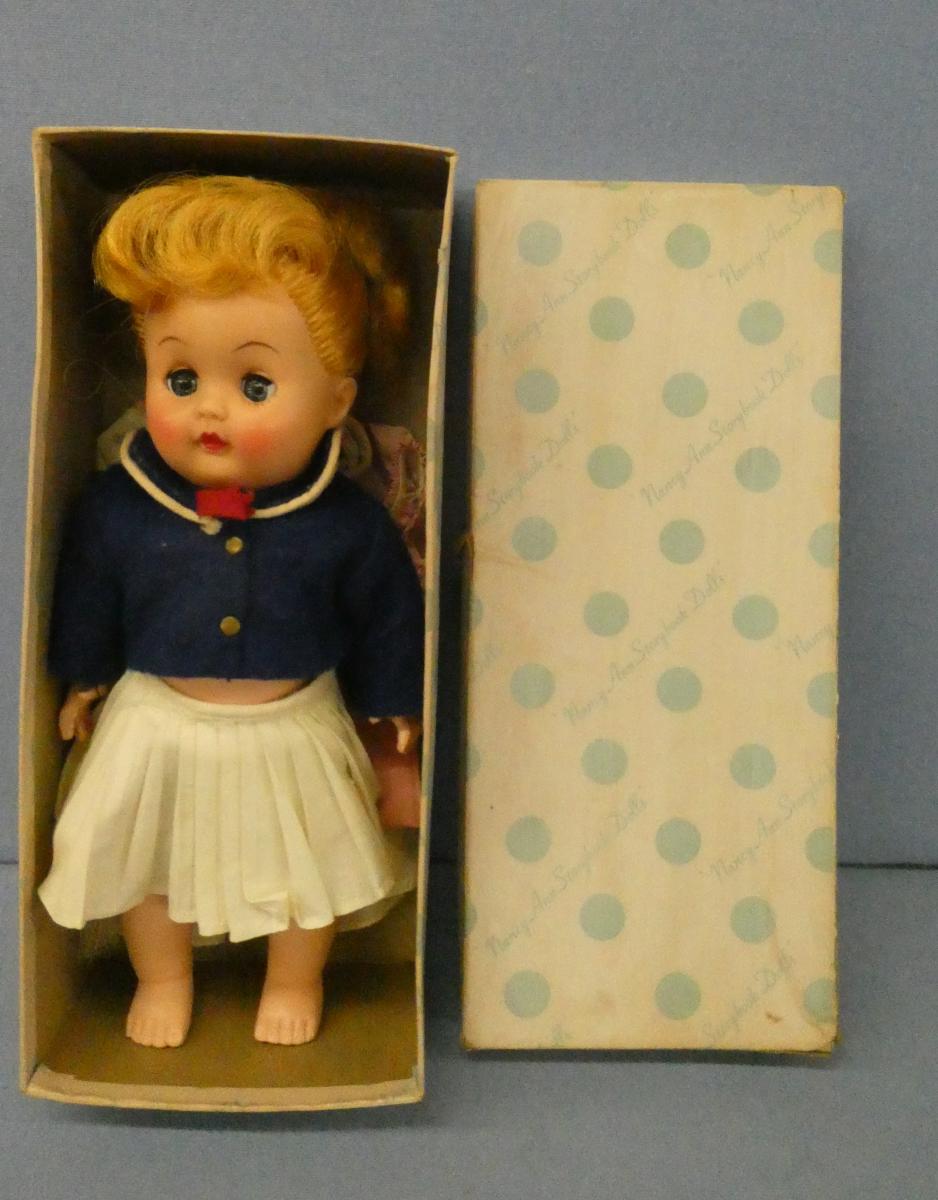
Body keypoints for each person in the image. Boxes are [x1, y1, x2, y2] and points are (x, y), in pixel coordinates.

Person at [37, 175, 425, 1049]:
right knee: (146, 860)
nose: (208, 406)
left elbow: (386, 615)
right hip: (157, 721)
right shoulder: (118, 509)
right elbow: (89, 591)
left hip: (293, 726)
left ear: (336, 402)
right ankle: (162, 975)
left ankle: (295, 978)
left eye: (255, 385)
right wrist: (84, 676)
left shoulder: (345, 525)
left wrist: (393, 702)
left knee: (303, 868)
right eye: (180, 377)